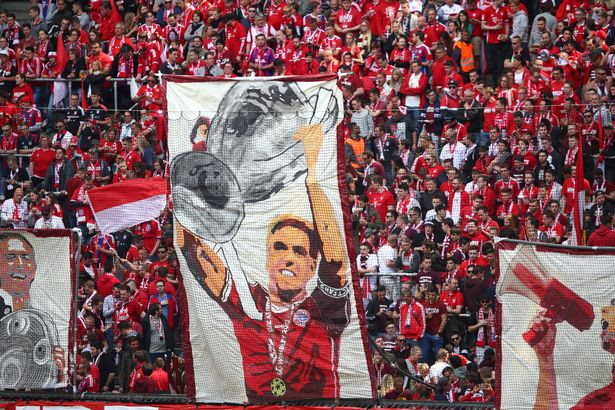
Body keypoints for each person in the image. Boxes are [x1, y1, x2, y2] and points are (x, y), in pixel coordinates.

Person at [176, 120, 350, 400]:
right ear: (268, 256)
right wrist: (185, 186)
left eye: (299, 251)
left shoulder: (323, 306)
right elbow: (191, 250)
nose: (289, 258)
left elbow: (336, 261)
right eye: (280, 248)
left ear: (312, 266)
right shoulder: (249, 302)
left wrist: (312, 177)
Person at [528, 299, 615, 408]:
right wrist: (545, 358)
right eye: (604, 324)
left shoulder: (599, 401)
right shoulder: (597, 401)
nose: (603, 333)